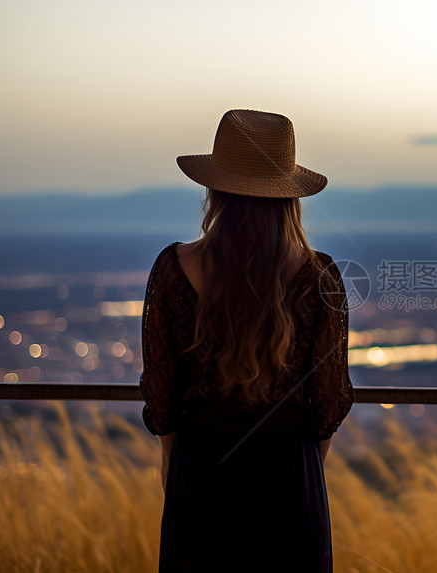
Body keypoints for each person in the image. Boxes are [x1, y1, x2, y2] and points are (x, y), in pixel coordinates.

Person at [139, 109, 354, 572]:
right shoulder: (322, 277)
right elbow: (331, 399)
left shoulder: (172, 269)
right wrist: (303, 465)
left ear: (215, 191)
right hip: (290, 471)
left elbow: (161, 391)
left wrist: (173, 461)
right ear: (290, 198)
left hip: (199, 466)